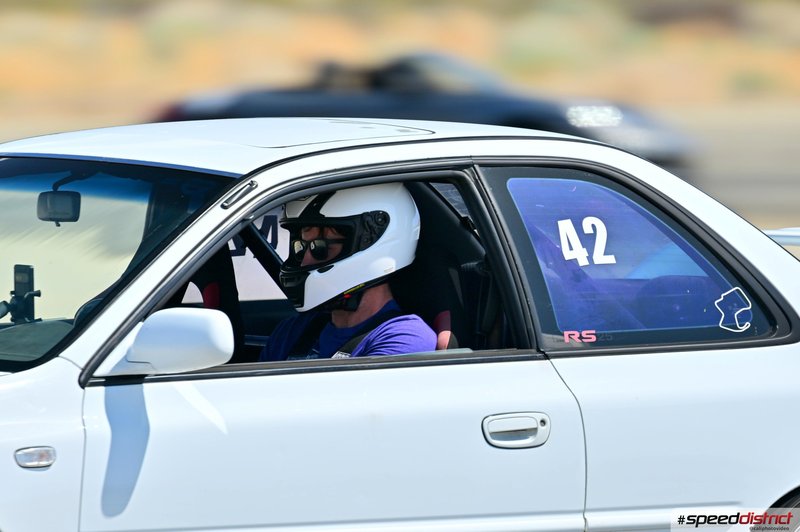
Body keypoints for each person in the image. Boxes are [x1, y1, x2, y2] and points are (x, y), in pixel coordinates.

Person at [259, 183, 437, 361]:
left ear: (370, 244)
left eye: (319, 248)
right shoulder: (293, 330)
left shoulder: (404, 339)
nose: (305, 260)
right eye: (302, 247)